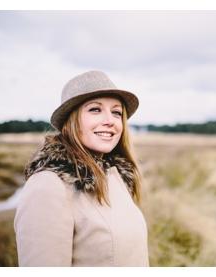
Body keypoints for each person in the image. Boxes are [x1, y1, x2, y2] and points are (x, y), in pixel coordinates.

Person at [14, 70, 148, 266]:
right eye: (95, 109)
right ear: (70, 122)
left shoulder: (115, 177)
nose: (110, 120)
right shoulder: (48, 187)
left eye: (117, 112)